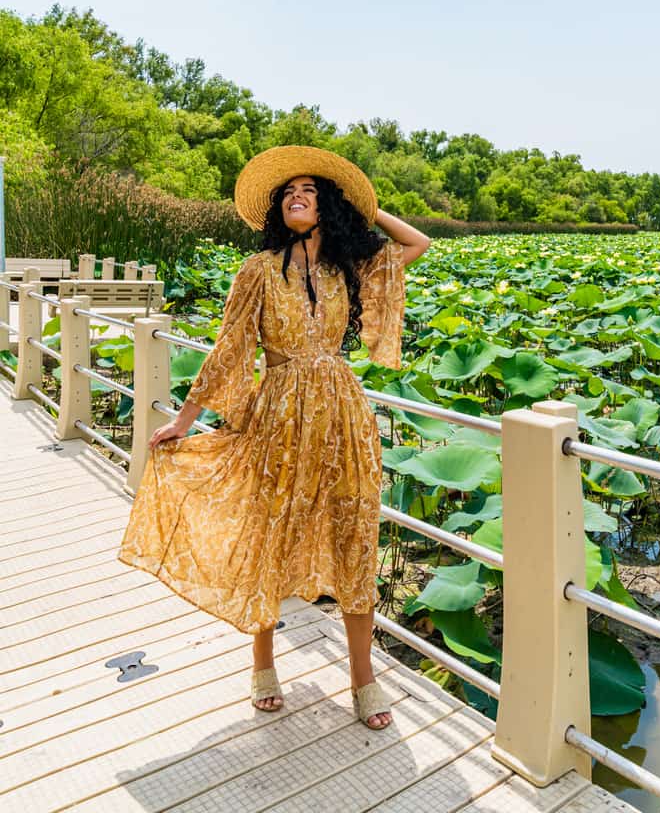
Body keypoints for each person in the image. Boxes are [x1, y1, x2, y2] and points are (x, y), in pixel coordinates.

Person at [117, 145, 430, 730]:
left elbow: (416, 245)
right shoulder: (258, 271)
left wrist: (369, 208)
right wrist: (184, 421)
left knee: (353, 536)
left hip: (342, 414)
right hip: (278, 415)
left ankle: (364, 678)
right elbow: (229, 347)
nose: (296, 196)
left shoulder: (349, 268)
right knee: (267, 533)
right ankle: (263, 661)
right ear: (276, 209)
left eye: (310, 190)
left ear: (327, 205)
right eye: (287, 192)